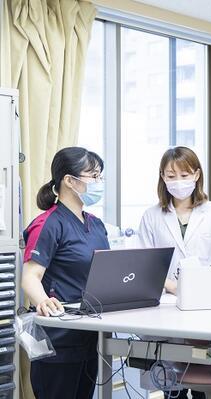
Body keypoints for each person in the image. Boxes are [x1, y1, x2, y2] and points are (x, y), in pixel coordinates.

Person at [138, 146, 211, 399]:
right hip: (167, 309)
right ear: (162, 177)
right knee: (172, 385)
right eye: (171, 176)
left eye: (184, 175)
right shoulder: (152, 217)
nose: (178, 182)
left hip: (207, 310)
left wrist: (202, 286)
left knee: (205, 383)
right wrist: (172, 286)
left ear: (196, 175)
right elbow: (144, 265)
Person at [21, 147, 109, 399]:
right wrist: (43, 301)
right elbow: (30, 276)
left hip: (91, 337)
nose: (98, 182)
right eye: (93, 176)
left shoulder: (96, 224)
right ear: (69, 180)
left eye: (100, 176)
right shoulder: (48, 223)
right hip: (58, 341)